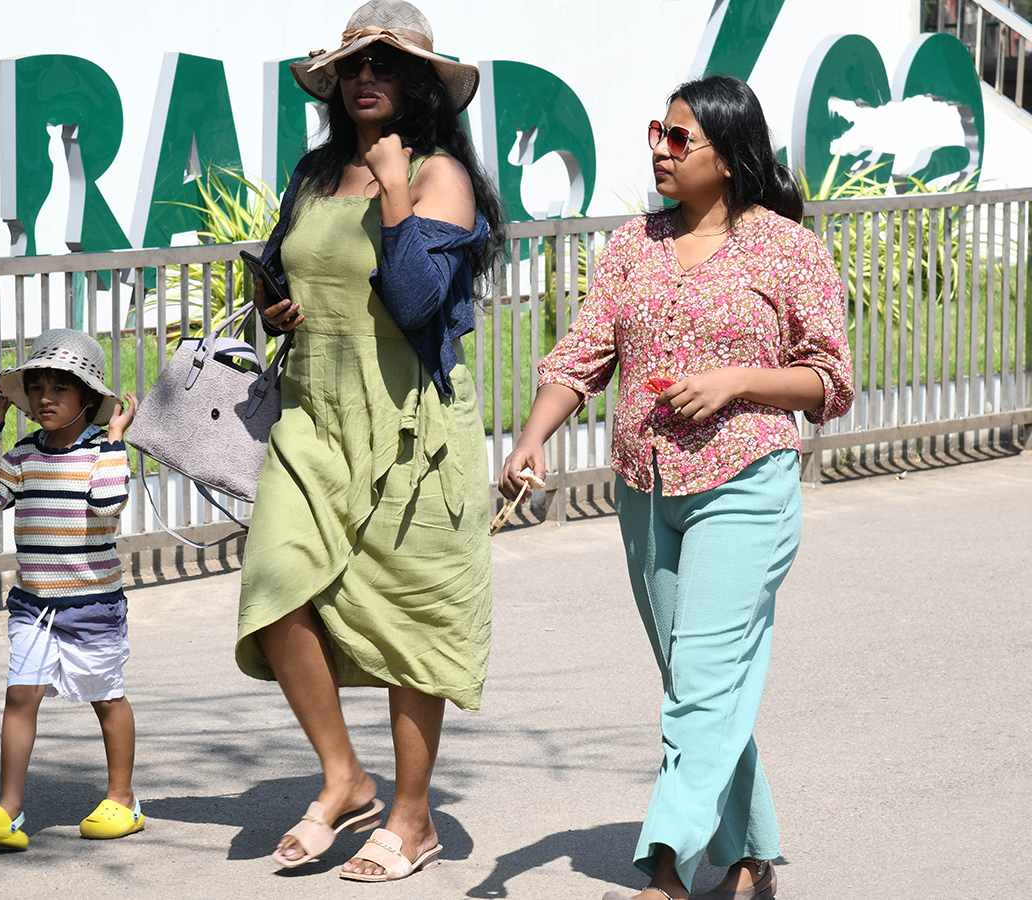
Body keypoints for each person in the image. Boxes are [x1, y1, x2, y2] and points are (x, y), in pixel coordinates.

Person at [499, 75, 853, 900]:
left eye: (679, 138)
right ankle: (752, 850)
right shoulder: (632, 245)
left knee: (700, 678)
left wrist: (735, 380)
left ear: (729, 158)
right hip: (646, 489)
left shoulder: (787, 249)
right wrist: (531, 438)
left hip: (746, 481)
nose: (660, 148)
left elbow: (830, 383)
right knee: (699, 681)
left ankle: (665, 864)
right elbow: (582, 354)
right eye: (658, 131)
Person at [234, 0, 506, 883]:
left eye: (383, 68)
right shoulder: (315, 176)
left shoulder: (440, 179)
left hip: (413, 435)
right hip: (313, 419)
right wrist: (271, 305)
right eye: (353, 68)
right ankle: (344, 775)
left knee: (409, 622)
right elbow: (284, 268)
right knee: (276, 590)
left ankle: (413, 816)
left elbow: (420, 303)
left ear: (421, 84)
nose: (363, 81)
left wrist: (394, 190)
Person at [0, 329, 141, 849]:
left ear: (88, 399)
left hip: (91, 604)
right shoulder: (22, 456)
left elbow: (107, 505)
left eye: (61, 388)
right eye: (37, 387)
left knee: (106, 699)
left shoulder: (103, 454)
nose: (45, 399)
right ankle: (7, 812)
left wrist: (114, 442)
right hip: (33, 604)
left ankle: (123, 798)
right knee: (20, 697)